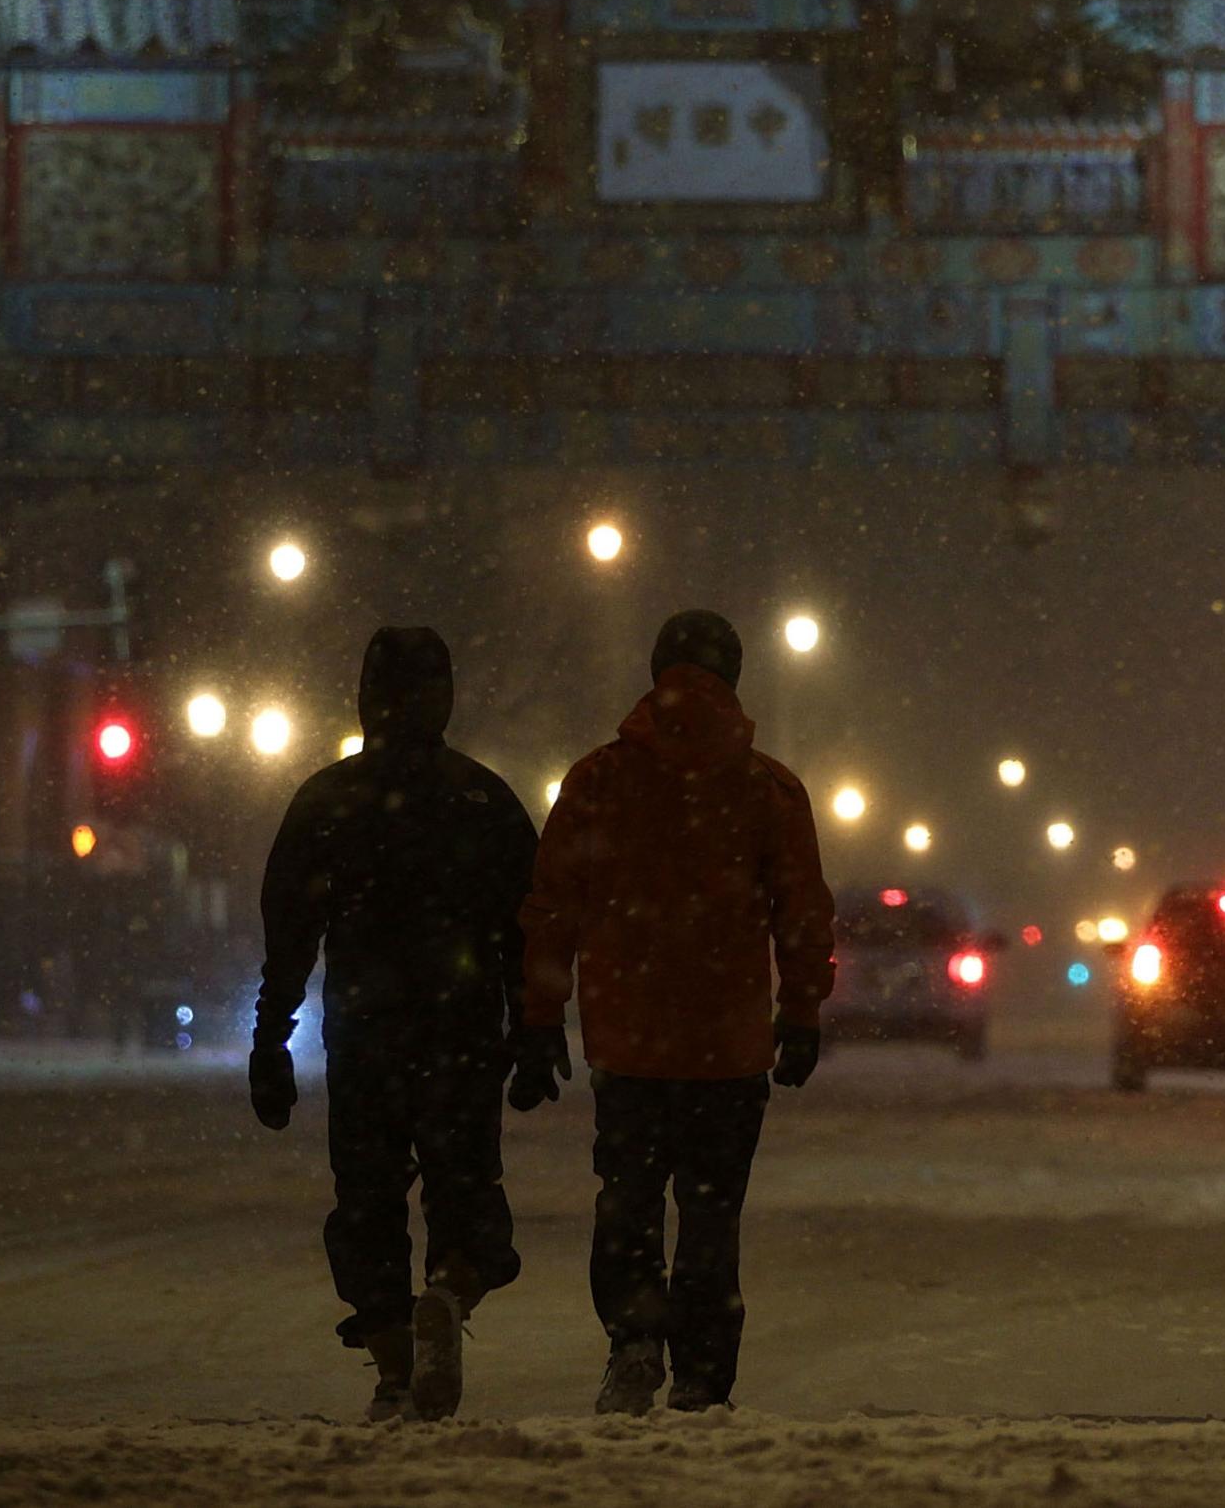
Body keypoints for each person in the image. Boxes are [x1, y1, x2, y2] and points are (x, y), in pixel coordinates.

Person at [512, 608, 835, 1415]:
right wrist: (800, 1012)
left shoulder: (598, 780)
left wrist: (541, 1013)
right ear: (734, 677)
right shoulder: (769, 789)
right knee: (711, 1211)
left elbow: (553, 905)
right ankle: (702, 1373)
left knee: (627, 1196)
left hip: (628, 1041)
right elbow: (802, 914)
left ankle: (633, 1340)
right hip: (728, 1049)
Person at [248, 626, 539, 1423]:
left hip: (365, 1034)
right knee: (466, 1191)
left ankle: (392, 1364)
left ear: (364, 696)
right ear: (445, 696)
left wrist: (271, 1036)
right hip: (462, 1033)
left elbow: (290, 932)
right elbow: (530, 931)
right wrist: (535, 1028)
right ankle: (449, 1287)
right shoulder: (485, 800)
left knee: (367, 1200)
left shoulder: (327, 800)